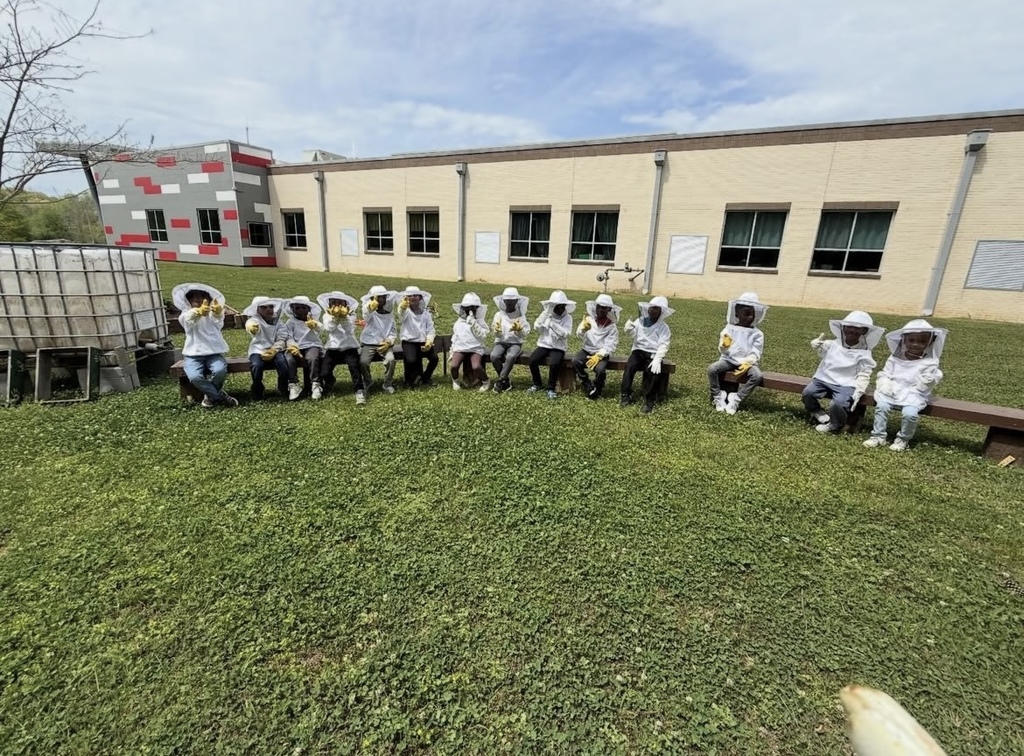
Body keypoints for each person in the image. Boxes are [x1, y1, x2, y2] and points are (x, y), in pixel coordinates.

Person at [864, 319, 947, 452]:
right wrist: (885, 384)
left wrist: (928, 381)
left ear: (930, 342)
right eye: (912, 340)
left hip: (914, 394)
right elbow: (886, 373)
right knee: (882, 407)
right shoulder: (894, 358)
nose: (916, 344)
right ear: (904, 340)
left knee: (910, 414)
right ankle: (878, 435)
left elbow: (925, 384)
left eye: (922, 341)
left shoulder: (930, 362)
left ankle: (903, 439)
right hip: (892, 390)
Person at [802, 311, 884, 433]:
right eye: (849, 326)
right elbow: (823, 348)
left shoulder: (864, 352)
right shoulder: (833, 344)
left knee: (838, 403)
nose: (852, 330)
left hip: (846, 383)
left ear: (864, 331)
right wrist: (817, 345)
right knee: (808, 393)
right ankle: (816, 411)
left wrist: (860, 389)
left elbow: (865, 372)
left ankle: (835, 425)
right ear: (843, 327)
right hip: (824, 378)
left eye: (857, 328)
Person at [171, 282, 238, 408]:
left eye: (202, 297)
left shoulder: (212, 315)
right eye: (193, 297)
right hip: (193, 354)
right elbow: (188, 320)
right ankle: (219, 396)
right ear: (188, 301)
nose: (198, 300)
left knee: (219, 370)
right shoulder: (184, 315)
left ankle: (210, 396)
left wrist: (218, 312)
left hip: (213, 352)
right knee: (194, 376)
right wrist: (197, 312)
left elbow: (218, 322)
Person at [707, 292, 768, 415]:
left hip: (747, 363)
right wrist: (724, 346)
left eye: (752, 314)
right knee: (712, 369)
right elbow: (723, 350)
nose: (750, 317)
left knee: (757, 376)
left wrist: (748, 362)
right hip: (729, 360)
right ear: (737, 313)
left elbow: (756, 352)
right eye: (746, 313)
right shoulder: (729, 328)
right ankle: (718, 396)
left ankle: (737, 398)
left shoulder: (757, 333)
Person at [621, 295, 673, 414]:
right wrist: (629, 329)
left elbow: (664, 344)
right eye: (651, 308)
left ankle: (649, 400)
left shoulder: (663, 327)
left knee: (654, 373)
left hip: (653, 353)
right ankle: (625, 394)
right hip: (638, 350)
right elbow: (634, 335)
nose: (651, 310)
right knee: (630, 366)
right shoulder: (640, 321)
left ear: (661, 311)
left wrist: (658, 359)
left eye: (655, 308)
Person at [316, 290, 366, 405]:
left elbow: (349, 330)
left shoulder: (351, 315)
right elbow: (329, 329)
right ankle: (330, 381)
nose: (337, 305)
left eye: (340, 302)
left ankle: (359, 390)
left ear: (345, 304)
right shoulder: (326, 315)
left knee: (354, 367)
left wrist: (344, 317)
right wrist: (335, 318)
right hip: (333, 347)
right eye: (334, 302)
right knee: (324, 372)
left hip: (349, 346)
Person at [528, 290, 575, 399]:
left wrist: (553, 324)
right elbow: (537, 327)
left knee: (554, 363)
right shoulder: (546, 314)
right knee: (532, 360)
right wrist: (544, 317)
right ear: (551, 306)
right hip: (544, 344)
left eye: (562, 307)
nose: (560, 309)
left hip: (558, 347)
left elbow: (566, 334)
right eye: (557, 307)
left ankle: (550, 388)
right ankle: (537, 383)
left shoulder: (568, 317)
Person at [573, 293, 620, 400]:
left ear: (609, 309)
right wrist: (583, 329)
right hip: (586, 350)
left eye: (604, 308)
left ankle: (597, 390)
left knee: (600, 370)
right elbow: (579, 334)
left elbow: (610, 345)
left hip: (601, 354)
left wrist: (599, 355)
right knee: (576, 361)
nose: (601, 310)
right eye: (599, 307)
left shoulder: (612, 326)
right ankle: (586, 384)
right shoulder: (589, 320)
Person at [243, 295, 288, 400]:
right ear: (257, 310)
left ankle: (283, 387)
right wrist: (251, 328)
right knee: (256, 365)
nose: (268, 309)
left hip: (275, 350)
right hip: (258, 349)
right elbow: (251, 323)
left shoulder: (278, 322)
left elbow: (282, 338)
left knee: (282, 363)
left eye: (271, 307)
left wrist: (274, 349)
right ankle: (257, 389)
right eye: (264, 307)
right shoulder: (255, 320)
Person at [281, 295, 325, 400]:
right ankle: (293, 384)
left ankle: (315, 383)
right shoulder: (290, 322)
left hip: (312, 344)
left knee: (313, 358)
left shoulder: (312, 320)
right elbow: (288, 336)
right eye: (297, 308)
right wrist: (292, 346)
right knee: (289, 359)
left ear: (309, 309)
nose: (301, 310)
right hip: (296, 347)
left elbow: (321, 328)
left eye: (304, 308)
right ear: (293, 310)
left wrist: (315, 325)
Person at [358, 285, 400, 395]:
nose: (381, 300)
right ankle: (367, 381)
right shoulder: (370, 313)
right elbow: (366, 315)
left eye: (383, 297)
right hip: (369, 343)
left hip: (384, 344)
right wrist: (370, 308)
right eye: (378, 297)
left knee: (391, 360)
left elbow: (393, 331)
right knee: (363, 362)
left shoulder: (389, 314)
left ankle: (388, 383)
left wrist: (389, 342)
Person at [490, 286, 531, 393]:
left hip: (515, 343)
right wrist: (497, 331)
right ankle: (505, 380)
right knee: (494, 356)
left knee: (511, 356)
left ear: (516, 301)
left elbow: (524, 335)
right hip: (501, 342)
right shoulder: (498, 315)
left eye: (512, 301)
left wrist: (519, 330)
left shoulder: (521, 316)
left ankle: (500, 380)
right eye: (507, 301)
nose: (509, 303)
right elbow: (496, 333)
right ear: (503, 301)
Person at [397, 285, 438, 388]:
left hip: (423, 342)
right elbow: (401, 316)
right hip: (409, 341)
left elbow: (430, 329)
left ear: (420, 297)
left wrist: (429, 340)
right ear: (406, 298)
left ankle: (425, 378)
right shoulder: (406, 311)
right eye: (410, 296)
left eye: (415, 295)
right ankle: (409, 380)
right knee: (411, 360)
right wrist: (402, 307)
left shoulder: (426, 313)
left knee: (434, 358)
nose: (413, 297)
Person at [450, 292, 490, 391]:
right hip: (460, 347)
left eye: (473, 307)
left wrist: (474, 324)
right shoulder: (459, 322)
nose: (470, 310)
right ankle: (455, 380)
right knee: (454, 366)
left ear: (477, 308)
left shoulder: (480, 321)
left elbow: (482, 336)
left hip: (475, 348)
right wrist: (452, 350)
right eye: (467, 307)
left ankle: (486, 381)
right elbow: (456, 336)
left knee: (476, 366)